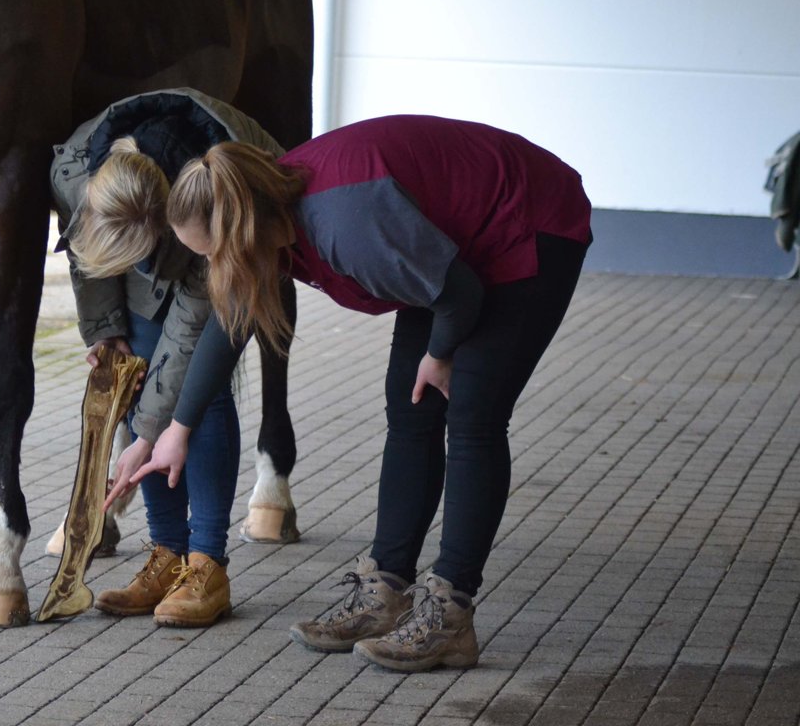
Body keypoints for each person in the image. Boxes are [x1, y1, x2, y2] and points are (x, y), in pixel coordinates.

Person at [129, 114, 591, 670]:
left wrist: (441, 354)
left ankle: (450, 614)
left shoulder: (345, 227)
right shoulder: (267, 209)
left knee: (473, 417)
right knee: (411, 410)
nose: (211, 266)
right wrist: (171, 432)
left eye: (211, 252)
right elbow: (229, 323)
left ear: (243, 230)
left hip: (526, 221)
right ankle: (386, 593)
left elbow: (461, 296)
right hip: (446, 246)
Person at [51, 88, 284, 627]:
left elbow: (188, 342)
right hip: (150, 217)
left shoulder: (208, 209)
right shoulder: (73, 175)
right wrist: (106, 330)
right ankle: (165, 554)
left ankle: (206, 564)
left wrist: (154, 432)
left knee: (197, 391)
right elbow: (89, 258)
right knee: (138, 372)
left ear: (160, 231)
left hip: (223, 227)